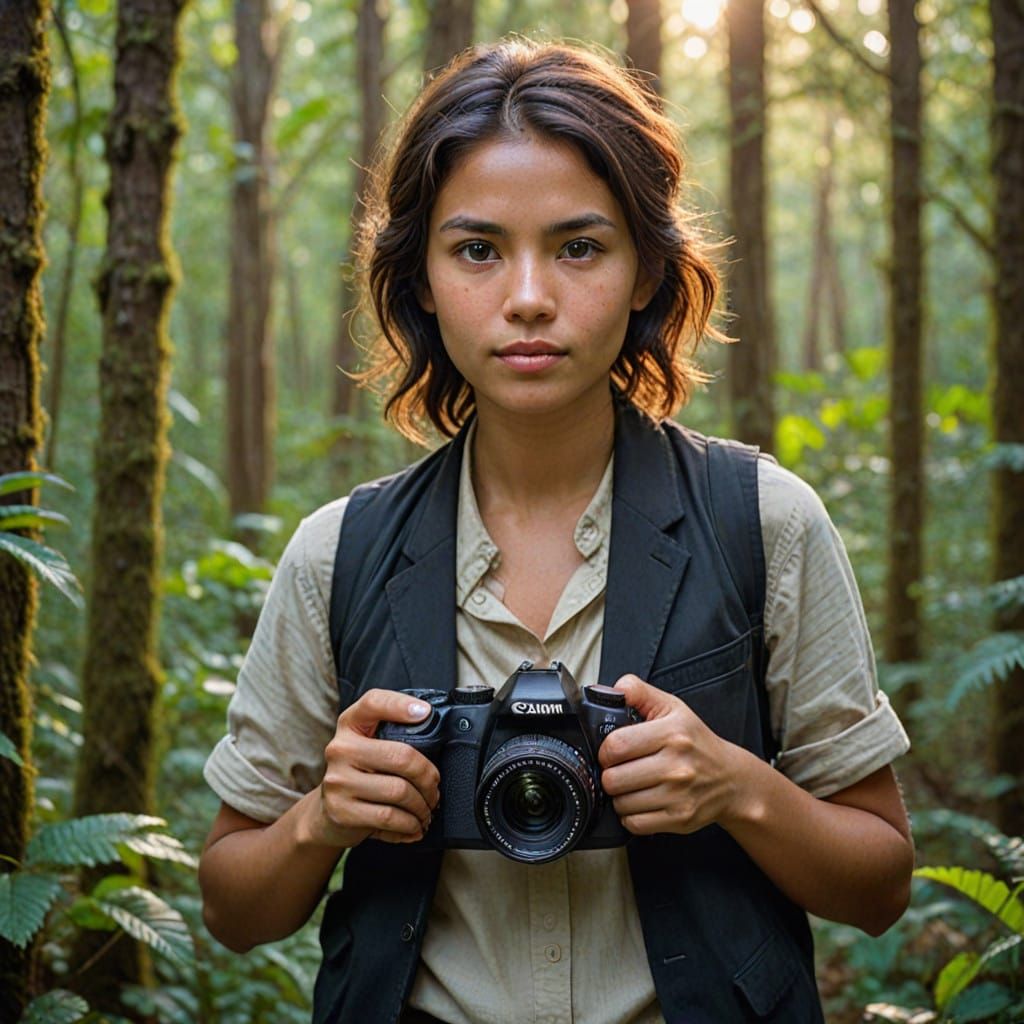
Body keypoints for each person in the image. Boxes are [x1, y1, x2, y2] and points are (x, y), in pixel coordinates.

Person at [199, 38, 914, 1024]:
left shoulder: (765, 524)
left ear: (645, 273)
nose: (528, 296)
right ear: (419, 279)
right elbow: (234, 905)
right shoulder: (338, 554)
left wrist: (736, 785)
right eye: (477, 249)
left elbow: (879, 885)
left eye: (578, 246)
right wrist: (321, 819)